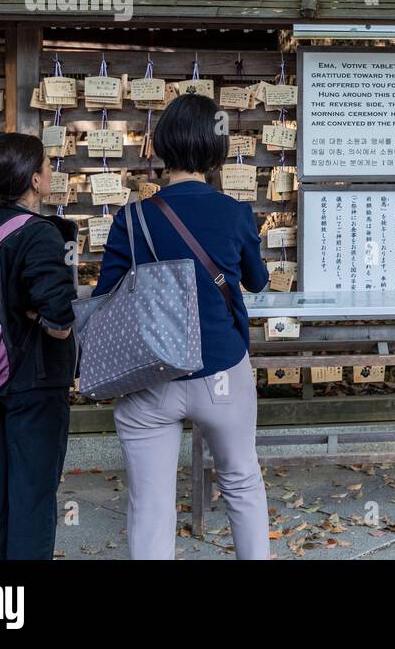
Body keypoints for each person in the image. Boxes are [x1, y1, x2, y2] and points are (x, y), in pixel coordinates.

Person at [93, 93, 270, 560]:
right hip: (222, 371)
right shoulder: (234, 212)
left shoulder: (130, 218)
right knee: (242, 481)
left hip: (150, 374)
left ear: (161, 145)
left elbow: (104, 298)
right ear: (218, 148)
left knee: (150, 504)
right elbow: (257, 280)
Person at [0, 132, 78, 559]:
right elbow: (60, 321)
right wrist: (39, 316)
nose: (50, 173)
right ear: (34, 181)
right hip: (31, 381)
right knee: (31, 496)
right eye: (46, 167)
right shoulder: (41, 235)